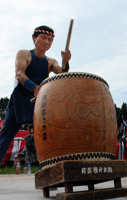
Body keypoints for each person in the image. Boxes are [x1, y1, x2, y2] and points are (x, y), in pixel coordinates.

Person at [0, 25, 71, 165]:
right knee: (6, 136)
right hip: (20, 99)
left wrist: (66, 61)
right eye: (43, 38)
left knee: (49, 135)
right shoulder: (24, 54)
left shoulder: (51, 61)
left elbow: (63, 75)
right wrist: (34, 88)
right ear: (34, 38)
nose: (47, 42)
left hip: (40, 101)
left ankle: (52, 172)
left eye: (50, 40)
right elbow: (20, 74)